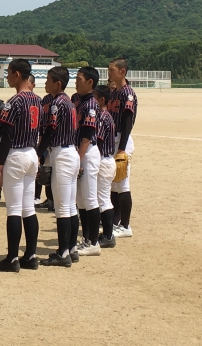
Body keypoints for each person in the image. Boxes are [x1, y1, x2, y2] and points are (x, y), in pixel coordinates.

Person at [0, 59, 43, 272]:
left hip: (16, 154)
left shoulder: (14, 101)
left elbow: (7, 136)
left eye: (9, 72)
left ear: (17, 74)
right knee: (28, 208)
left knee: (13, 209)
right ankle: (30, 255)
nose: (7, 77)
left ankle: (12, 258)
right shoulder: (38, 100)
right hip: (31, 152)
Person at [36, 66, 80, 267]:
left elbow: (50, 130)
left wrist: (39, 152)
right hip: (71, 152)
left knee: (62, 207)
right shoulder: (69, 102)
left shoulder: (56, 103)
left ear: (58, 83)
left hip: (62, 154)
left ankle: (63, 253)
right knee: (70, 206)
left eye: (48, 80)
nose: (45, 83)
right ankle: (71, 249)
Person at [108, 58, 137, 238]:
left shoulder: (127, 93)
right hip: (113, 139)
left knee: (122, 184)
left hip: (121, 140)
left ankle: (125, 225)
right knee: (114, 183)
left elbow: (127, 122)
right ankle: (115, 221)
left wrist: (122, 149)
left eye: (112, 70)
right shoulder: (115, 93)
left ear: (122, 72)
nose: (109, 73)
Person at [74, 67, 101, 257]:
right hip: (80, 152)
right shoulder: (79, 100)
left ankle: (94, 242)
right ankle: (86, 239)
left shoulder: (91, 104)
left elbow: (87, 134)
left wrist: (79, 159)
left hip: (87, 152)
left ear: (90, 82)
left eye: (79, 79)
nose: (76, 82)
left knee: (90, 199)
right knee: (81, 201)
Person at [93, 85, 116, 248]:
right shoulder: (107, 116)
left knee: (103, 200)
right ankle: (107, 233)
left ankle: (108, 235)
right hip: (106, 160)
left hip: (103, 160)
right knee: (102, 198)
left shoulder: (102, 117)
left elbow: (99, 141)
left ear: (101, 100)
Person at [37, 91, 54, 211]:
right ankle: (49, 200)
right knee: (46, 172)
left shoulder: (60, 101)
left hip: (56, 143)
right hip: (45, 140)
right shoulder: (45, 99)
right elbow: (42, 121)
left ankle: (53, 201)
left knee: (53, 174)